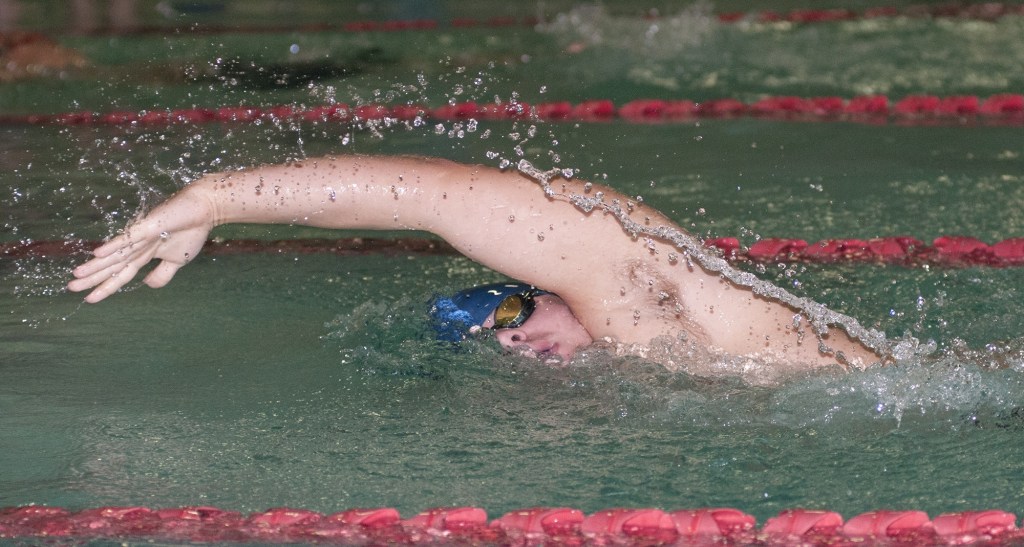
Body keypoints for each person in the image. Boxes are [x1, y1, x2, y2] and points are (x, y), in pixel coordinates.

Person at [68, 154, 882, 369]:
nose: (512, 343)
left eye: (510, 313)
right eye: (491, 343)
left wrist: (217, 197)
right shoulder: (646, 357)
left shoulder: (624, 273)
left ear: (544, 281)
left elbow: (428, 198)